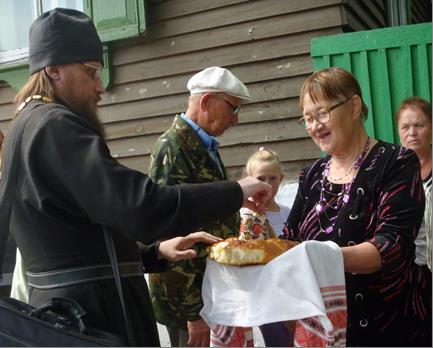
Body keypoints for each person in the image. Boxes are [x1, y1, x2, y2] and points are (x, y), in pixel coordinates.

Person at [0, 8, 272, 347]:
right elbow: (139, 206)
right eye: (91, 72)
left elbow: (78, 232)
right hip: (92, 320)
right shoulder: (54, 125)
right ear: (53, 68)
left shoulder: (27, 125)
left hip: (73, 312)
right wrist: (235, 190)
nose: (100, 86)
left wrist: (154, 252)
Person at [284, 67, 431, 346]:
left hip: (388, 327)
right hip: (323, 330)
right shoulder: (311, 175)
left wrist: (322, 256)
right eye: (307, 118)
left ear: (353, 107)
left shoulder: (397, 162)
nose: (315, 126)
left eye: (322, 114)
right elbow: (289, 238)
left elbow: (392, 246)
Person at [148, 66, 250, 347]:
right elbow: (171, 231)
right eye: (232, 109)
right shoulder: (173, 146)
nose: (236, 120)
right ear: (206, 102)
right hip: (189, 303)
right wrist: (194, 313)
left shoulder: (202, 145)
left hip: (210, 292)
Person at [213, 147, 293, 347]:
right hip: (264, 291)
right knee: (278, 339)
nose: (267, 184)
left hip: (291, 286)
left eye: (273, 178)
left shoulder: (289, 212)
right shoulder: (247, 215)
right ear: (250, 180)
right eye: (261, 178)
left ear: (281, 179)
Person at [397, 97, 432, 271]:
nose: (412, 132)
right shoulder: (393, 175)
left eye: (419, 125)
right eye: (405, 127)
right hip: (407, 269)